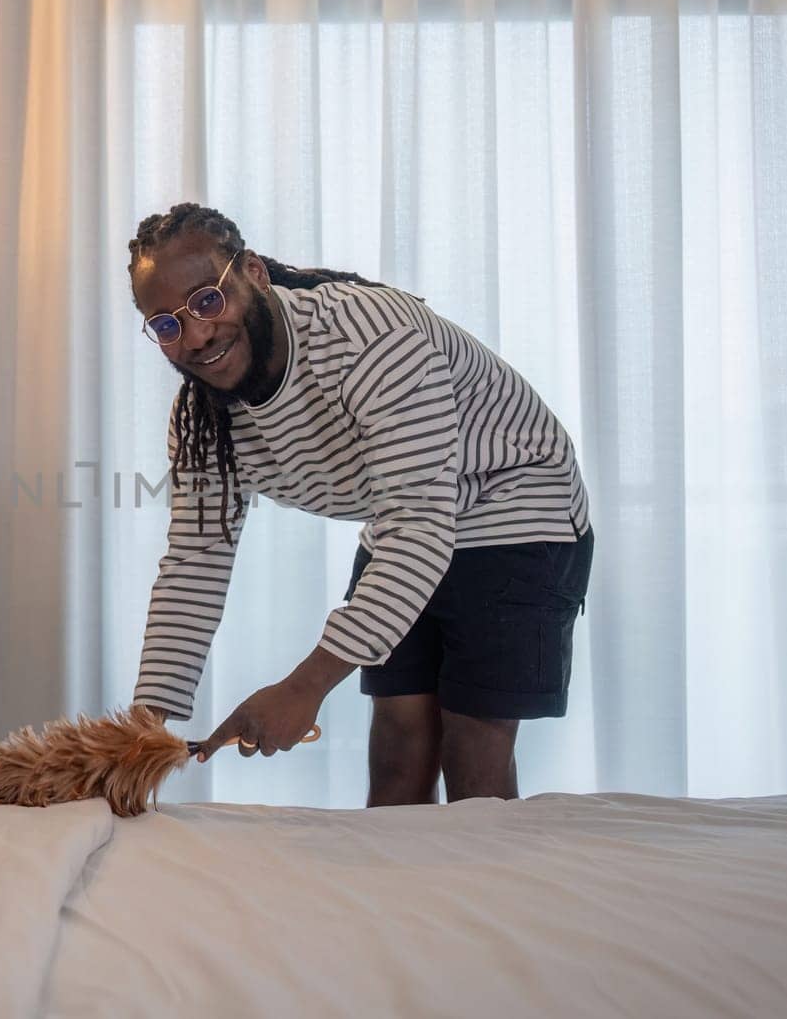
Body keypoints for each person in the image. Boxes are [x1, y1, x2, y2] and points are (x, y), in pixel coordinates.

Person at [128, 203, 593, 804]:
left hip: (516, 501)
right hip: (407, 519)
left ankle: (480, 892)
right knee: (400, 746)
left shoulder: (370, 339)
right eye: (165, 324)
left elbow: (419, 531)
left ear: (253, 273)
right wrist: (144, 728)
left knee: (472, 745)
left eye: (207, 301)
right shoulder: (203, 420)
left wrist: (302, 688)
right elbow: (194, 565)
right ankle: (398, 897)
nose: (195, 335)